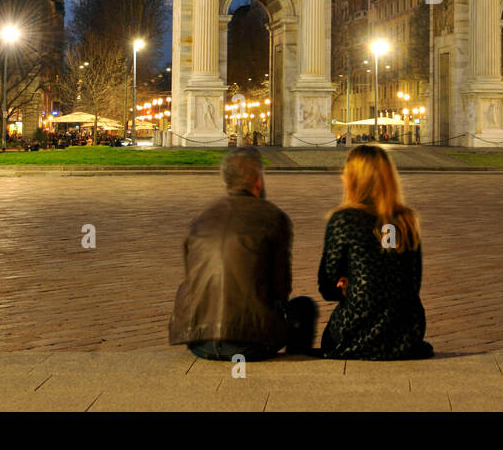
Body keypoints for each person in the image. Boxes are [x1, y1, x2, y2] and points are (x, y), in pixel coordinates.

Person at [168, 147, 316, 361]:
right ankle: (296, 362)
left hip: (199, 340)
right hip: (249, 344)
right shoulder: (273, 217)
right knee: (304, 307)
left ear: (226, 181)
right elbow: (281, 287)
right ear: (257, 181)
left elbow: (191, 277)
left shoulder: (202, 218)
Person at [319, 145, 433, 360]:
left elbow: (327, 285)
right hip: (405, 333)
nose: (342, 177)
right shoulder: (405, 220)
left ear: (355, 179)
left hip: (357, 331)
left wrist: (345, 287)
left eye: (346, 172)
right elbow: (410, 280)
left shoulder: (345, 220)